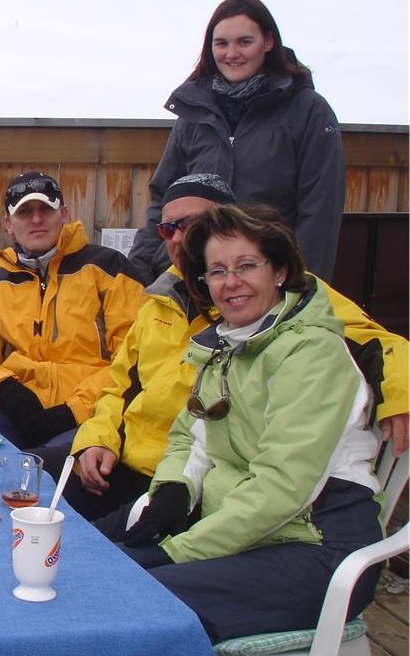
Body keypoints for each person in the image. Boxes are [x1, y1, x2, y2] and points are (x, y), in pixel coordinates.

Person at [61, 175, 408, 531]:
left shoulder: (265, 295)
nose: (179, 238)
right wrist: (97, 439)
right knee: (34, 484)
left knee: (81, 545)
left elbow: (380, 343)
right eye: (168, 229)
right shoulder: (158, 301)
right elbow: (118, 385)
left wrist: (399, 397)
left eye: (190, 224)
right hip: (124, 458)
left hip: (190, 475)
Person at [116, 204, 384, 643]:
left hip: (318, 548)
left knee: (133, 601)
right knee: (98, 569)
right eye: (217, 271)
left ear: (280, 270)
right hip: (246, 534)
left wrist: (177, 551)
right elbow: (190, 436)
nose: (231, 282)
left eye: (246, 265)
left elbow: (282, 487)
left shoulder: (312, 354)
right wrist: (174, 489)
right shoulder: (227, 347)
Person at [126, 0, 345, 285]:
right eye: (221, 43)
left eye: (244, 42)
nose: (232, 53)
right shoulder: (193, 113)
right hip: (193, 276)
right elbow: (162, 200)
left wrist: (303, 285)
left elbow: (319, 212)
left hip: (266, 278)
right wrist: (137, 273)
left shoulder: (309, 111)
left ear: (268, 41)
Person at [0, 171, 145, 449]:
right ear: (8, 223)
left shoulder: (109, 268)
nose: (36, 219)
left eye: (46, 209)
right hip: (18, 411)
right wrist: (5, 386)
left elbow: (134, 359)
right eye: (24, 212)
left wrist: (73, 410)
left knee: (48, 465)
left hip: (93, 415)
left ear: (63, 214)